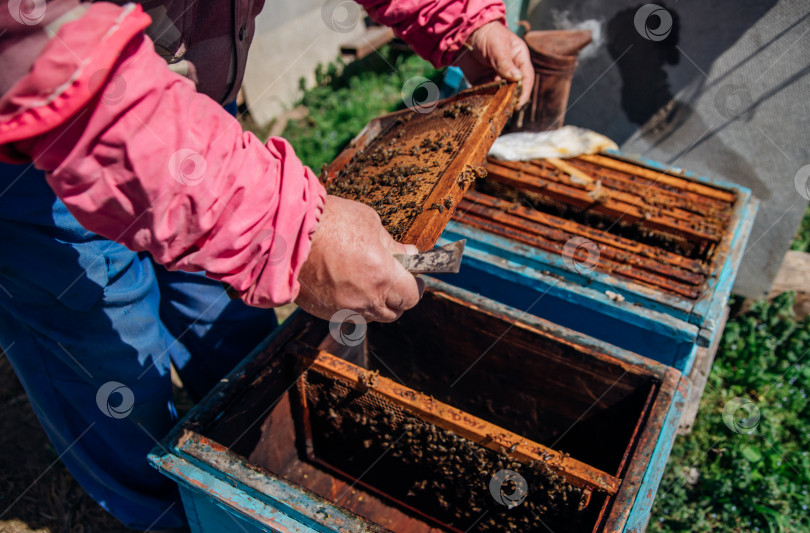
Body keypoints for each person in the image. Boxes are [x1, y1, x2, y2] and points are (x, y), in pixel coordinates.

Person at [0, 0, 533, 530]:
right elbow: (46, 52)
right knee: (114, 378)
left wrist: (457, 18)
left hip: (198, 113)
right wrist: (276, 226)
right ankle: (169, 514)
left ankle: (247, 473)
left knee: (230, 322)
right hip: (41, 144)